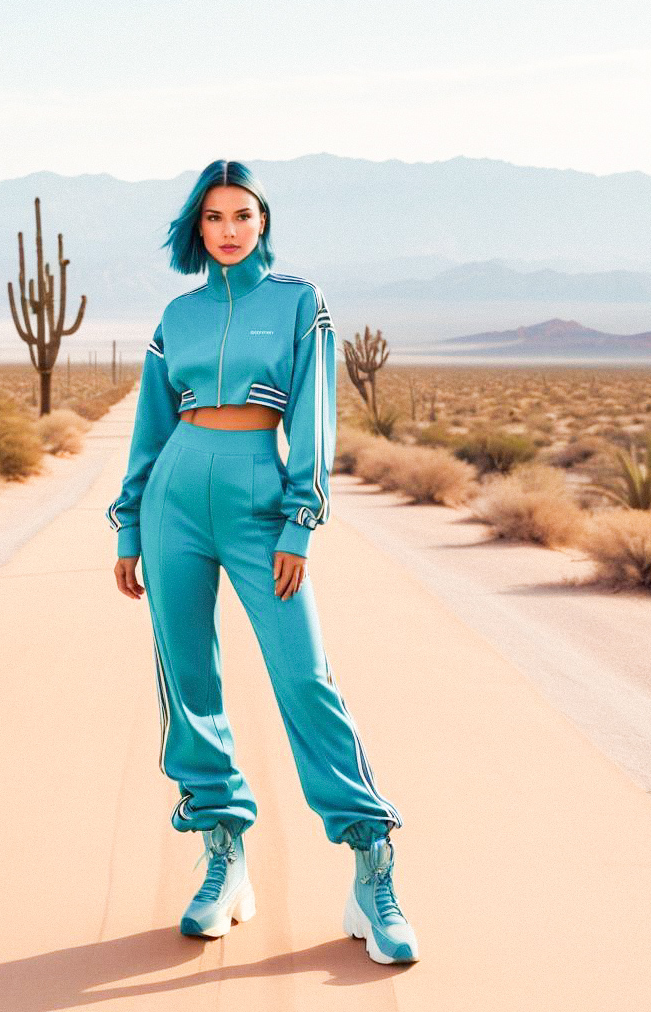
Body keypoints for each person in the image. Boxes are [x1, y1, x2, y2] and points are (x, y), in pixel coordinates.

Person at [107, 159, 418, 965]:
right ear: (197, 229)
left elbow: (315, 414)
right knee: (188, 679)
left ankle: (370, 865)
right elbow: (148, 426)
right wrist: (129, 525)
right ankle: (222, 854)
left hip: (257, 498)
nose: (229, 229)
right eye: (214, 218)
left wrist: (298, 522)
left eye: (242, 215)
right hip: (176, 497)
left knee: (304, 676)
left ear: (263, 222)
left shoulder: (298, 304)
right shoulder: (176, 315)